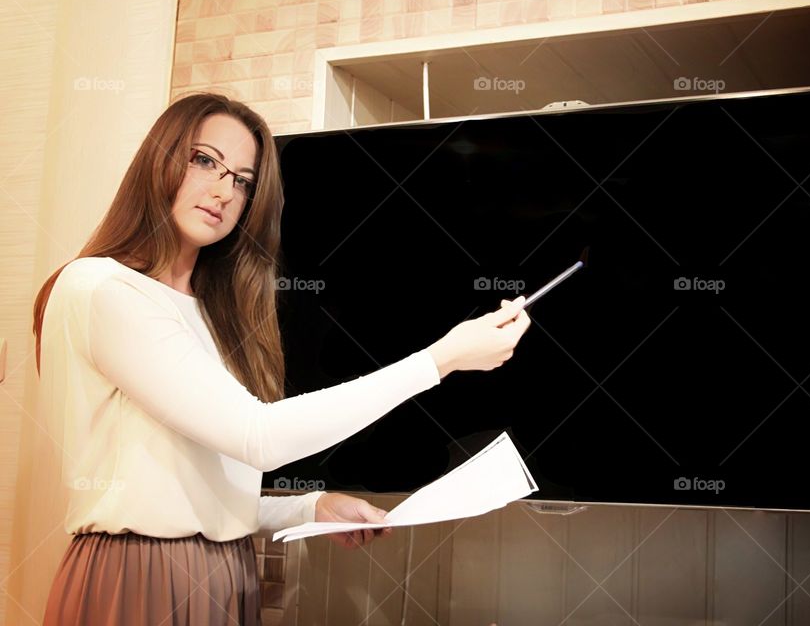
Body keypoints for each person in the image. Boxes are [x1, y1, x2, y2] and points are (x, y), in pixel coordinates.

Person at [32, 92, 531, 625]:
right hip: (141, 578)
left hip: (227, 572)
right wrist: (439, 360)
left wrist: (306, 506)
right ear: (160, 159)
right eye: (205, 160)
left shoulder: (209, 314)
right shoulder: (101, 287)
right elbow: (259, 436)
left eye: (243, 180)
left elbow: (198, 493)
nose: (224, 190)